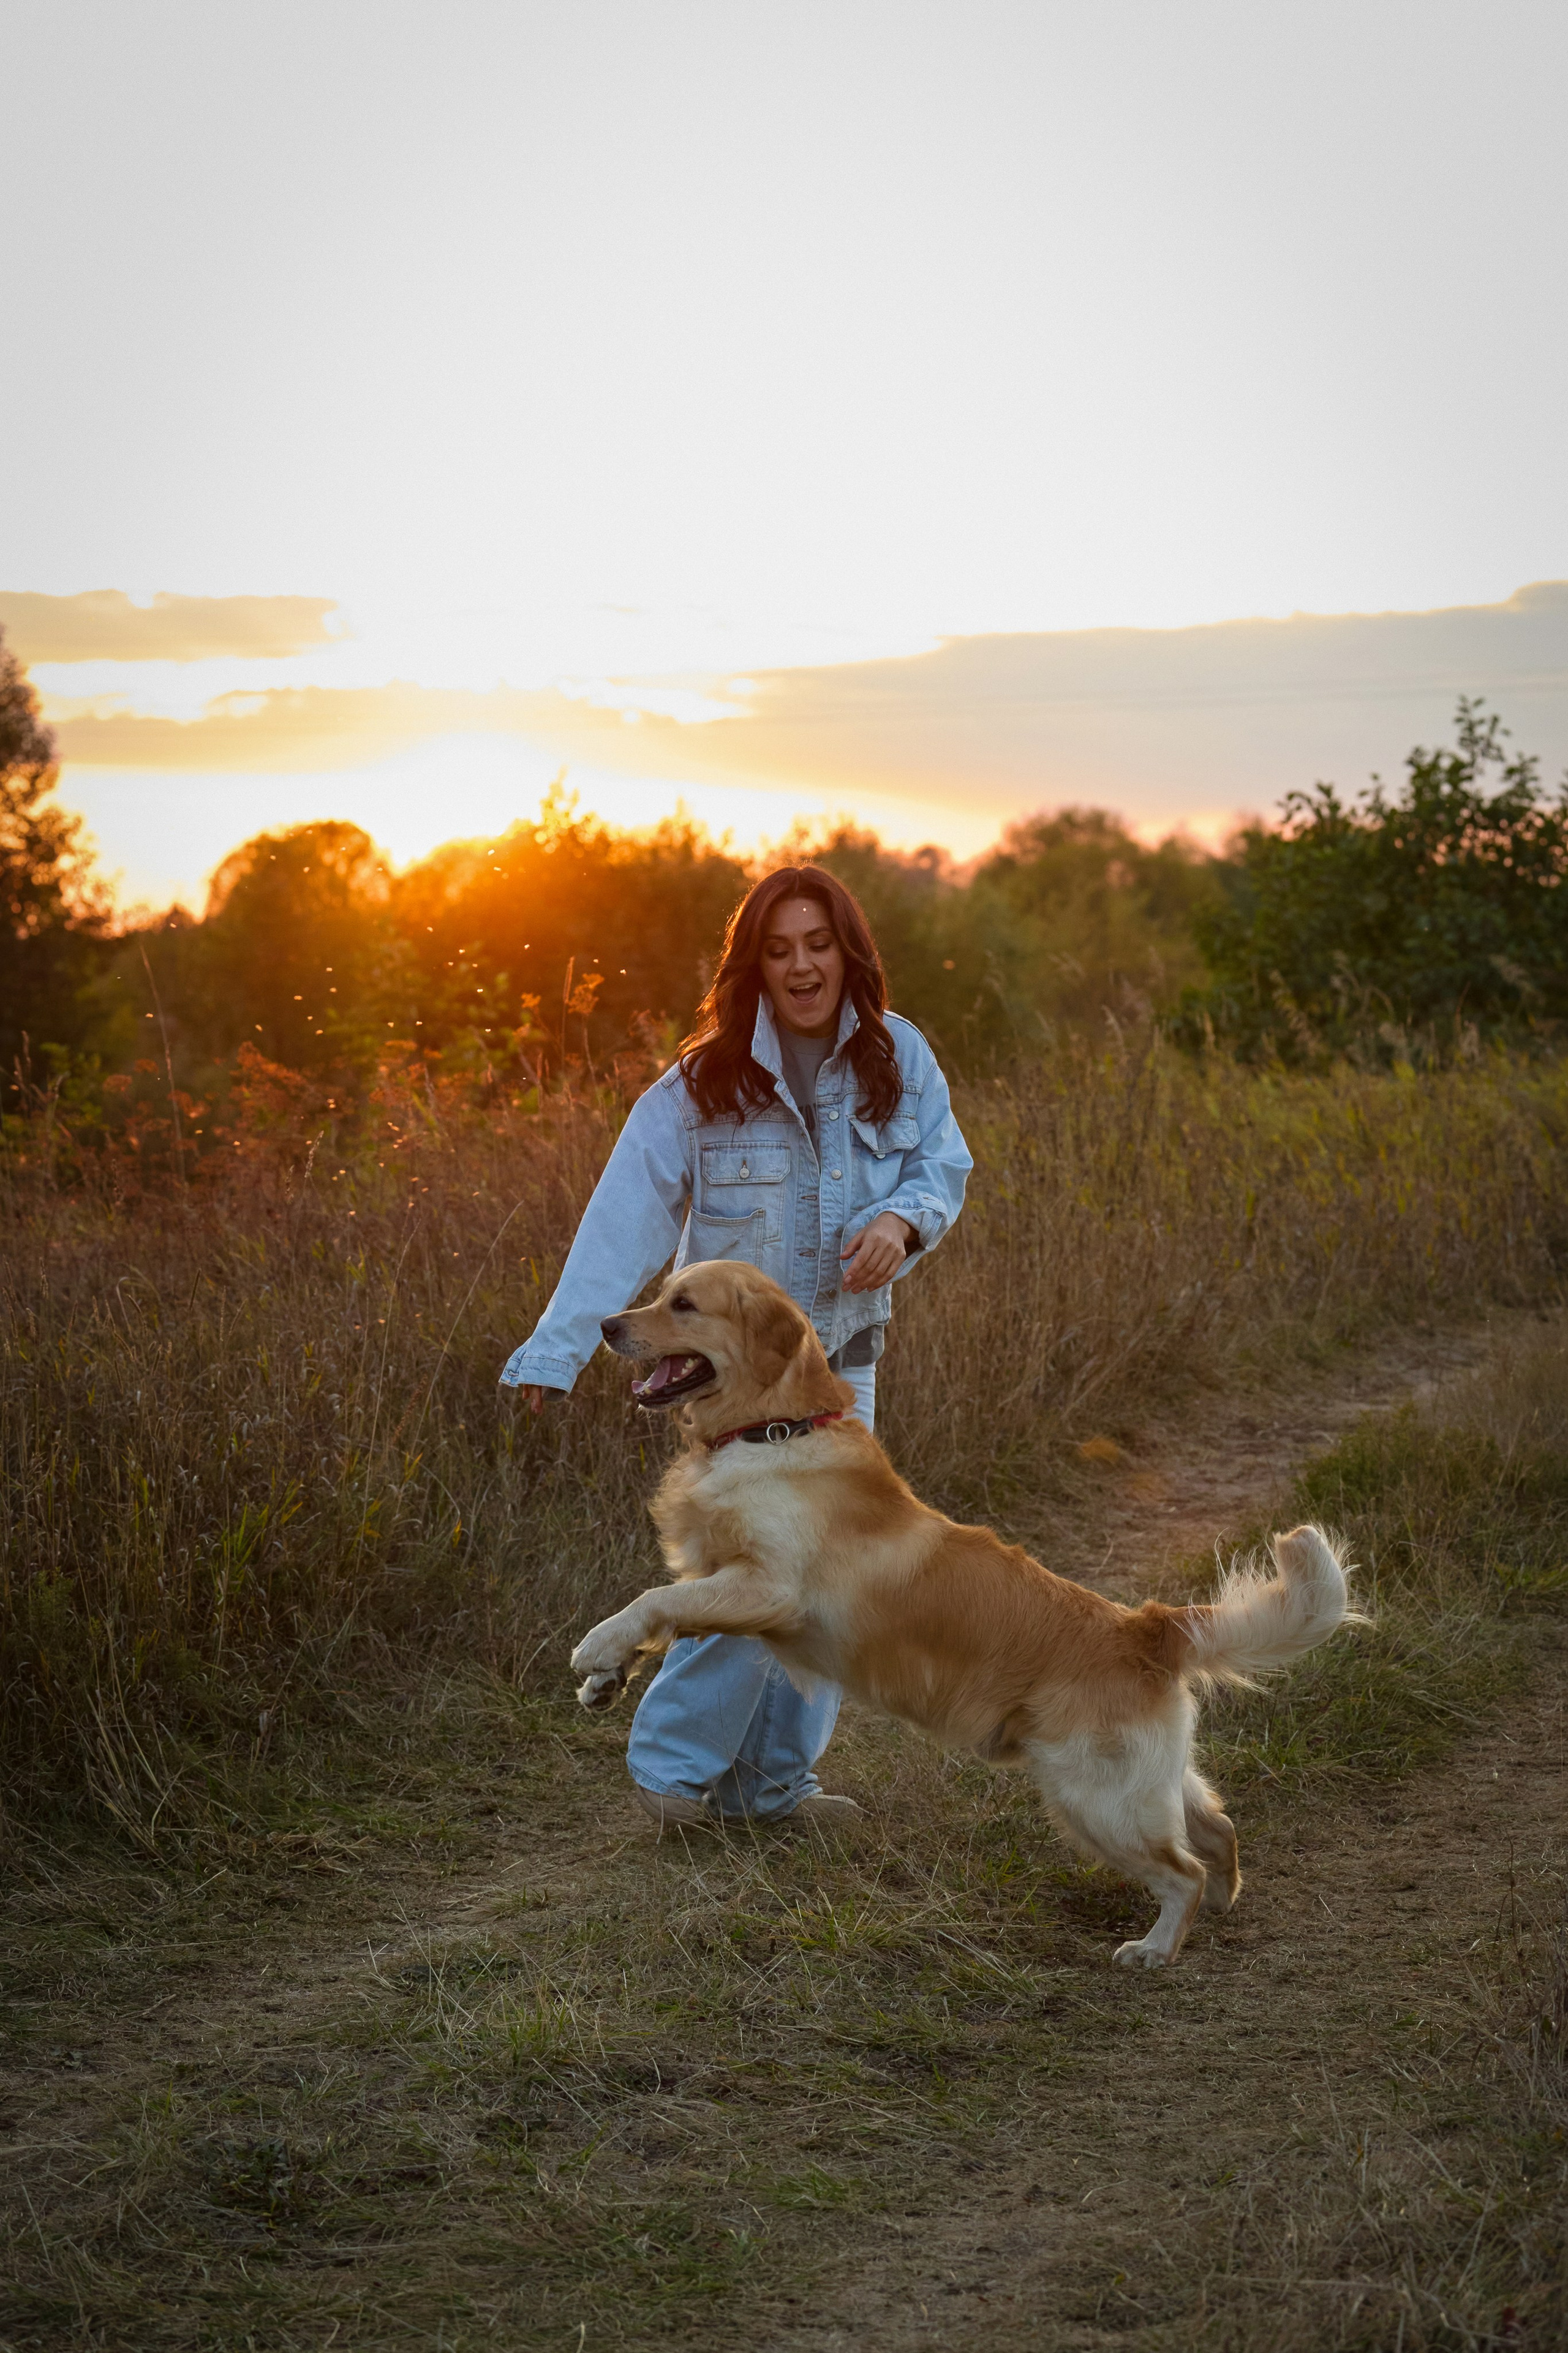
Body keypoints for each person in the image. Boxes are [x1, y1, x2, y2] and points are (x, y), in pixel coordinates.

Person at [499, 864, 972, 1829]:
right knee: (750, 1573)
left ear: (849, 953)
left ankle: (772, 1789)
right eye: (779, 947)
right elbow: (624, 1215)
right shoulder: (703, 1080)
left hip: (841, 1368)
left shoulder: (899, 1055)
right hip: (734, 1389)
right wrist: (557, 1349)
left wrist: (904, 1222)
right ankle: (671, 1780)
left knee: (823, 1588)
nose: (802, 965)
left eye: (819, 943)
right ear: (753, 962)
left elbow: (943, 1166)